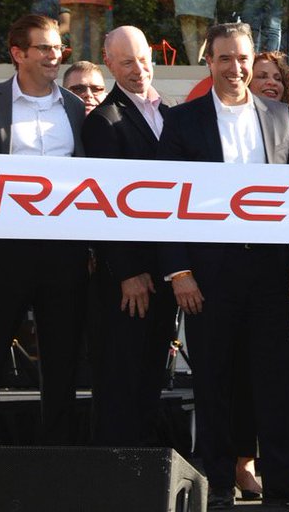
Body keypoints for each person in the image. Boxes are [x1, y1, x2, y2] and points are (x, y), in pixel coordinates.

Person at [157, 22, 289, 511]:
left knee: (276, 380)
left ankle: (283, 482)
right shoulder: (183, 122)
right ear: (208, 61)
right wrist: (179, 272)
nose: (235, 68)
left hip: (269, 270)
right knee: (214, 381)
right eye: (224, 58)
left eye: (242, 58)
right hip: (209, 273)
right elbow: (166, 200)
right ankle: (219, 483)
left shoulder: (281, 115)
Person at [0, 15, 87, 447]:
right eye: (44, 48)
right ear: (18, 53)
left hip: (64, 252)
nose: (55, 56)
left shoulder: (74, 107)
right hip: (3, 251)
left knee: (63, 359)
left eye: (58, 48)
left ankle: (58, 456)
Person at [80, 26, 178, 447]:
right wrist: (127, 272)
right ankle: (115, 466)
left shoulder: (171, 114)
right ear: (109, 64)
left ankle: (146, 464)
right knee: (121, 375)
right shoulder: (104, 121)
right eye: (126, 63)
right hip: (129, 278)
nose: (137, 70)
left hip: (169, 269)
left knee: (152, 371)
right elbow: (105, 205)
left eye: (142, 60)